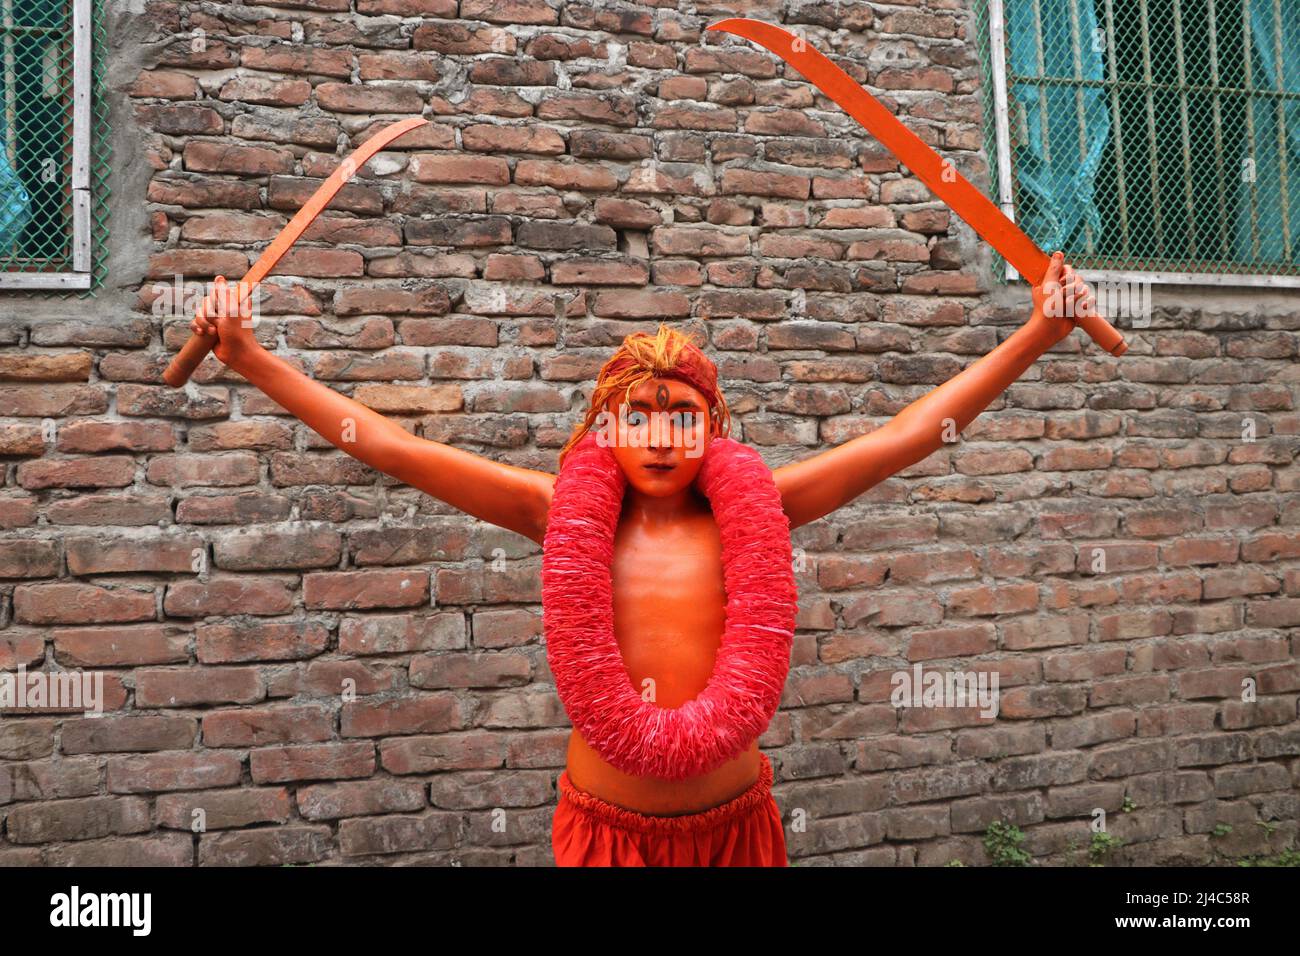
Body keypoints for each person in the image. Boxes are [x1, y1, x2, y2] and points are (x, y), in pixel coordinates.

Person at [192, 250, 1098, 866]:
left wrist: (1036, 335)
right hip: (609, 834)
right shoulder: (557, 513)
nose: (660, 438)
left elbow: (908, 437)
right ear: (604, 428)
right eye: (638, 417)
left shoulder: (762, 507)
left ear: (713, 428)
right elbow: (388, 447)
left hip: (736, 829)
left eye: (683, 417)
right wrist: (251, 358)